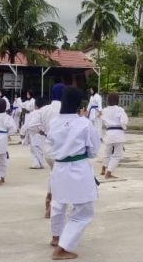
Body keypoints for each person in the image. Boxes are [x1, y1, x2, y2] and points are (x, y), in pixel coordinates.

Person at [48, 86, 100, 260]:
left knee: (58, 204)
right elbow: (93, 151)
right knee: (83, 211)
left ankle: (56, 237)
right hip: (78, 168)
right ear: (80, 104)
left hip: (59, 167)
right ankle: (62, 248)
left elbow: (49, 146)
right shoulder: (84, 123)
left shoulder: (54, 122)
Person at [40, 84, 64, 218]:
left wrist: (41, 131)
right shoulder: (65, 109)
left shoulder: (44, 109)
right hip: (60, 148)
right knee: (61, 176)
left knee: (53, 173)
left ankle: (49, 194)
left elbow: (30, 125)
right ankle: (53, 203)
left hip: (47, 147)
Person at [100, 92, 128, 179]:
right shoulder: (119, 109)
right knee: (116, 155)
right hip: (118, 134)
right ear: (117, 100)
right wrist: (123, 127)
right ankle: (108, 172)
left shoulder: (104, 110)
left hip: (109, 133)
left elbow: (100, 118)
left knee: (107, 152)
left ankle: (103, 168)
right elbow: (124, 121)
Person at [20, 96, 46, 169]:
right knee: (39, 148)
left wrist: (22, 132)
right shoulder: (45, 112)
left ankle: (38, 163)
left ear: (35, 105)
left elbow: (26, 124)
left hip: (34, 132)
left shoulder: (33, 113)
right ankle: (39, 163)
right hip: (42, 132)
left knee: (34, 149)